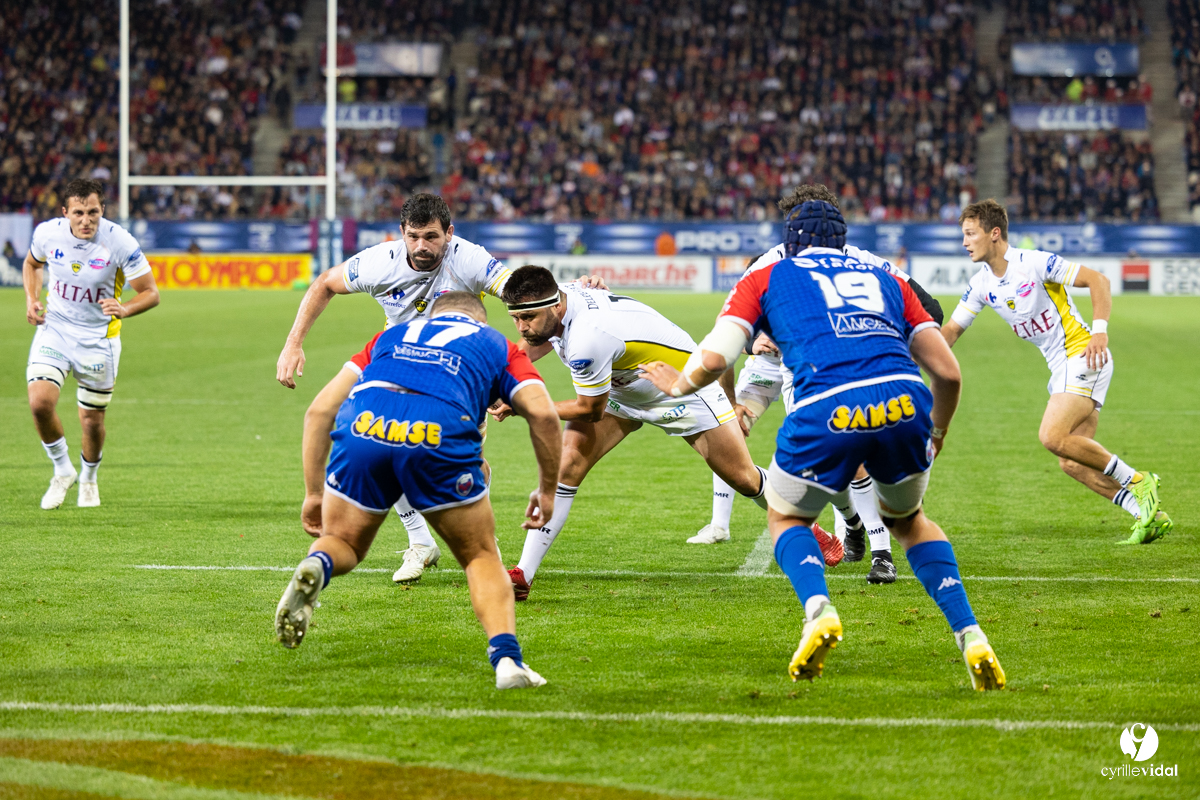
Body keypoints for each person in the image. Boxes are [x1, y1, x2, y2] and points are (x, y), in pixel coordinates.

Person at [641, 200, 1005, 690]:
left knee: (786, 516)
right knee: (911, 521)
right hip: (905, 401)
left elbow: (714, 356)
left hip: (826, 406)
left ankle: (818, 612)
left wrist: (679, 387)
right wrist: (936, 432)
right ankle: (971, 634)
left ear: (789, 240)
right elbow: (948, 372)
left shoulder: (766, 274)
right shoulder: (886, 275)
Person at [280, 194, 606, 584]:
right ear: (401, 233)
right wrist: (293, 342)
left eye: (432, 237)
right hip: (395, 360)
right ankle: (422, 542)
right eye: (413, 236)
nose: (422, 246)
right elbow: (325, 284)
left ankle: (483, 546)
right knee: (384, 445)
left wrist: (572, 292)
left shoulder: (468, 258)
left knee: (463, 463)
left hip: (457, 372)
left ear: (449, 234)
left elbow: (522, 292)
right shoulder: (376, 262)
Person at [274, 292, 562, 690]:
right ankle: (507, 661)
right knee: (479, 556)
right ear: (478, 318)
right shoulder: (499, 344)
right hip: (436, 430)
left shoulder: (390, 336)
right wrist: (547, 491)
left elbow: (319, 411)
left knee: (343, 543)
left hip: (365, 424)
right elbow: (544, 413)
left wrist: (313, 493)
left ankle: (317, 566)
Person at [700, 184, 945, 584]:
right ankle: (839, 523)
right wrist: (752, 342)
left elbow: (929, 309)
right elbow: (729, 328)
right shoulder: (769, 264)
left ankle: (880, 551)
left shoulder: (863, 261)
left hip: (823, 368)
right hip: (772, 362)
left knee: (846, 449)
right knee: (730, 426)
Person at [496, 266, 770, 601]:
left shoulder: (588, 338)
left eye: (529, 318)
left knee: (744, 479)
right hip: (623, 387)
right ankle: (522, 574)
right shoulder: (558, 296)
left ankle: (802, 519)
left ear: (556, 306)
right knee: (567, 466)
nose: (522, 328)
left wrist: (525, 404)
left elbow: (589, 410)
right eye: (516, 318)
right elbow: (536, 340)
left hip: (681, 387)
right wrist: (504, 376)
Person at [945, 199, 1170, 544]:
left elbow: (1098, 280)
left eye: (970, 233)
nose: (964, 242)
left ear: (994, 234)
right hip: (1062, 367)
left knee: (1052, 436)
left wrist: (1099, 330)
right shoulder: (981, 284)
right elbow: (951, 333)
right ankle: (1147, 514)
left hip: (1082, 354)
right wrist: (906, 354)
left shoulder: (1032, 263)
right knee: (1072, 459)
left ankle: (1139, 482)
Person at [22, 178, 160, 509]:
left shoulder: (119, 242)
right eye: (80, 213)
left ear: (102, 211)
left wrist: (124, 308)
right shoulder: (47, 233)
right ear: (65, 212)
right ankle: (62, 470)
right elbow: (32, 263)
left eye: (94, 213)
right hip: (55, 328)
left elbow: (151, 293)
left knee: (92, 421)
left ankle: (89, 477)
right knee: (40, 402)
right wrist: (31, 298)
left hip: (99, 339)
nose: (87, 220)